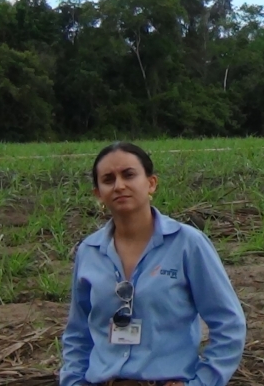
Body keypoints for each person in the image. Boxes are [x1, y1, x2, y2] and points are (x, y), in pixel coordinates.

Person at [59, 142, 247, 386]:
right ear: (98, 194)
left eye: (129, 175)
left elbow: (229, 323)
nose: (119, 186)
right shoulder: (89, 251)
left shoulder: (187, 244)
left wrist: (203, 381)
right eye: (108, 179)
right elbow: (78, 333)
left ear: (151, 183)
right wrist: (73, 381)